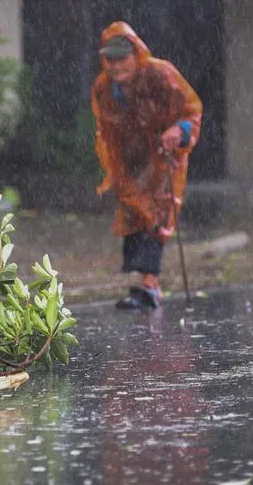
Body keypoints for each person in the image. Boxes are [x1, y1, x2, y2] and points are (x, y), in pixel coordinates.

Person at [91, 21, 202, 310]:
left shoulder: (161, 74)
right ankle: (142, 281)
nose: (116, 66)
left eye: (121, 58)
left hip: (164, 156)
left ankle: (149, 284)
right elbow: (106, 128)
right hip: (130, 160)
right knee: (133, 213)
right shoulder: (104, 88)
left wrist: (179, 131)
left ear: (135, 53)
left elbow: (192, 110)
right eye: (110, 59)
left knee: (158, 213)